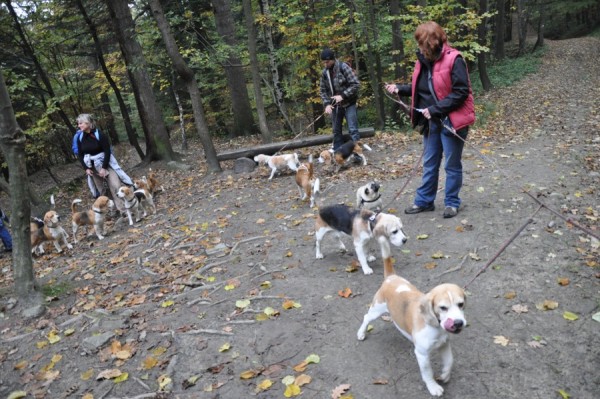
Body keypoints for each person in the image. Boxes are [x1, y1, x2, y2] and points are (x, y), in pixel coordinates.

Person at [385, 21, 475, 219]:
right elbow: (422, 88)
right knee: (429, 162)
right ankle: (425, 201)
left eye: (421, 43)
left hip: (451, 121)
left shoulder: (455, 59)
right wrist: (400, 88)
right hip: (430, 122)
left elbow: (461, 93)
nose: (419, 47)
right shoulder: (422, 61)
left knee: (452, 164)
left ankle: (452, 203)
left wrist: (434, 109)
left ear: (432, 42)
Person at [75, 114, 133, 216]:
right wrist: (86, 169)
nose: (79, 126)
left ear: (88, 123)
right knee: (102, 190)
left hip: (106, 164)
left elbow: (107, 151)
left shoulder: (99, 135)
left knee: (115, 186)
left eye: (81, 123)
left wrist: (104, 168)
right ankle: (112, 211)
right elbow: (80, 154)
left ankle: (123, 210)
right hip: (92, 168)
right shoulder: (80, 137)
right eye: (78, 123)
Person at [319, 48, 361, 156]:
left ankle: (357, 155)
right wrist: (327, 104)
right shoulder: (324, 73)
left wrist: (342, 96)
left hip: (349, 104)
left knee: (353, 129)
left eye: (327, 62)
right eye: (323, 62)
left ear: (333, 59)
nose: (325, 64)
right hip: (335, 106)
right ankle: (338, 156)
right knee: (336, 131)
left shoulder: (343, 67)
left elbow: (355, 84)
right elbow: (323, 91)